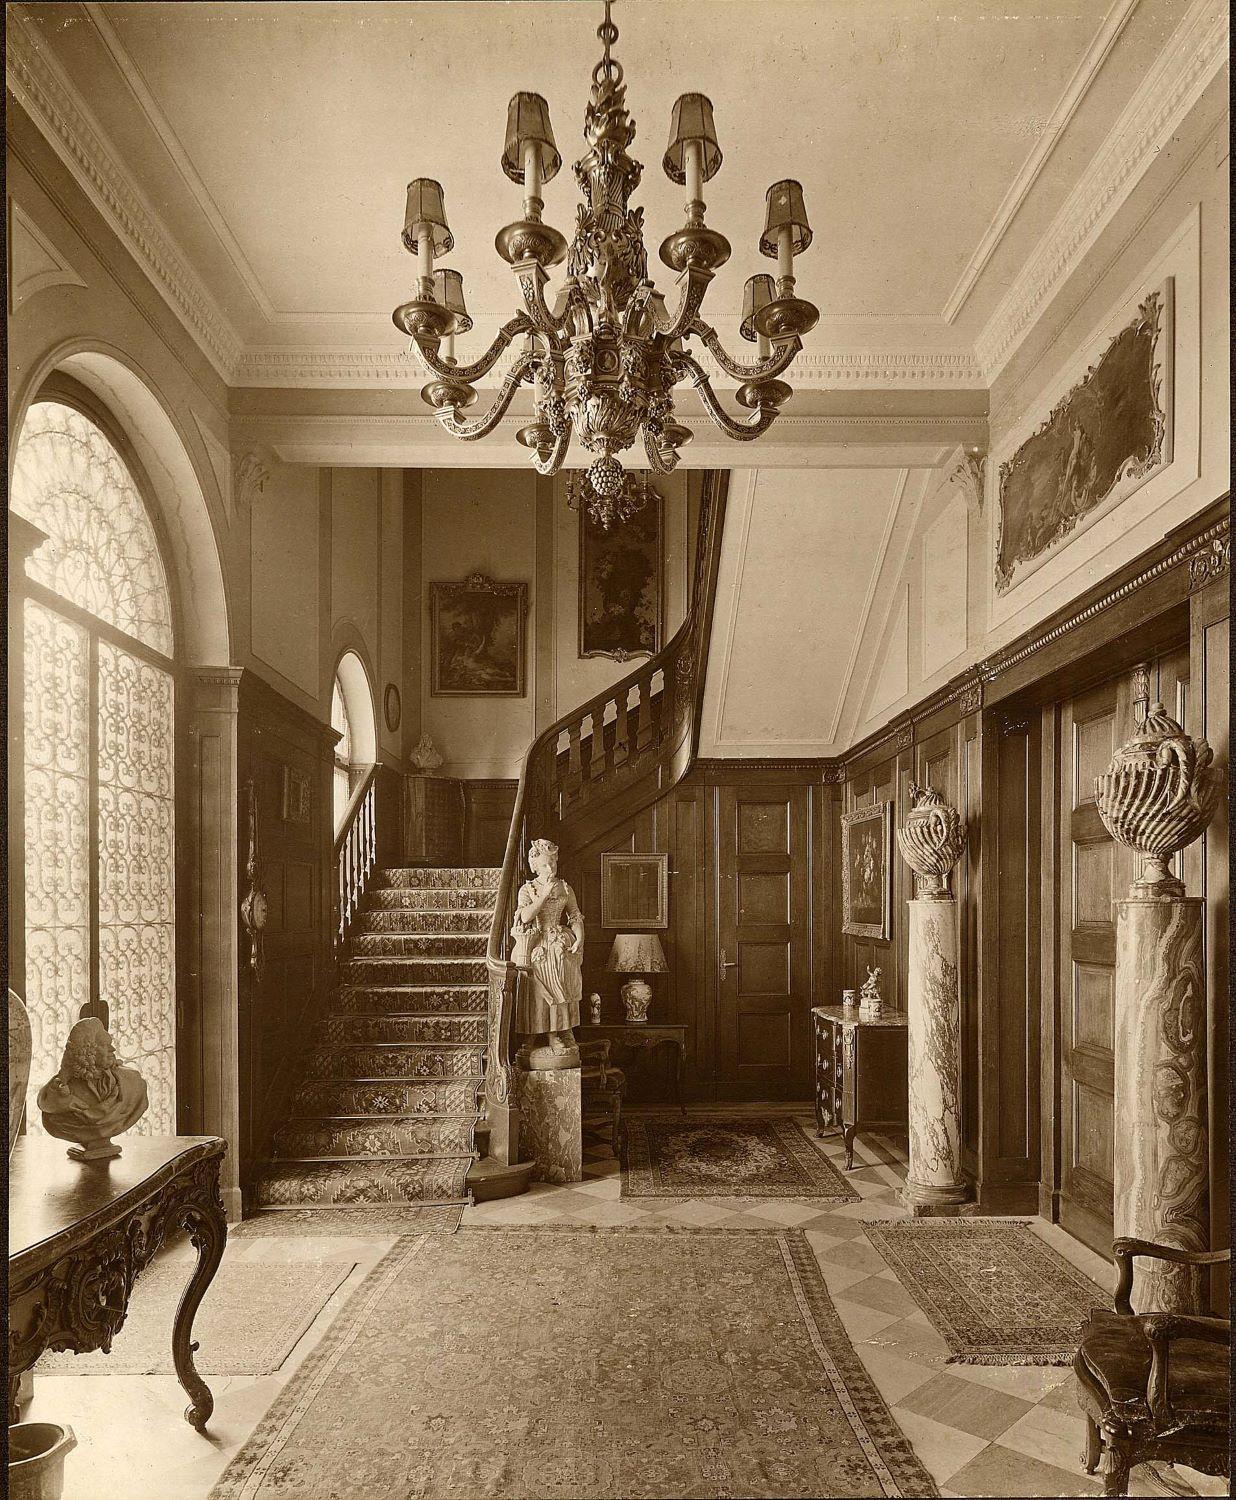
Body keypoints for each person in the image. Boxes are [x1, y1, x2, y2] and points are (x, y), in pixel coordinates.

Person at [512, 839, 585, 1067]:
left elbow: (574, 915)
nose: (550, 868)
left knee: (563, 987)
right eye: (545, 865)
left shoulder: (565, 887)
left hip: (560, 943)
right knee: (537, 992)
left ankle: (563, 1030)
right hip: (535, 944)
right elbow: (524, 917)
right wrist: (543, 894)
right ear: (534, 866)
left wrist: (580, 937)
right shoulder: (528, 889)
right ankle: (535, 1035)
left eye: (553, 863)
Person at [37, 1017, 148, 1159]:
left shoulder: (133, 1083)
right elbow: (48, 1104)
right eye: (104, 1045)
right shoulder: (60, 1091)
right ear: (89, 1051)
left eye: (110, 1044)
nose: (112, 1049)